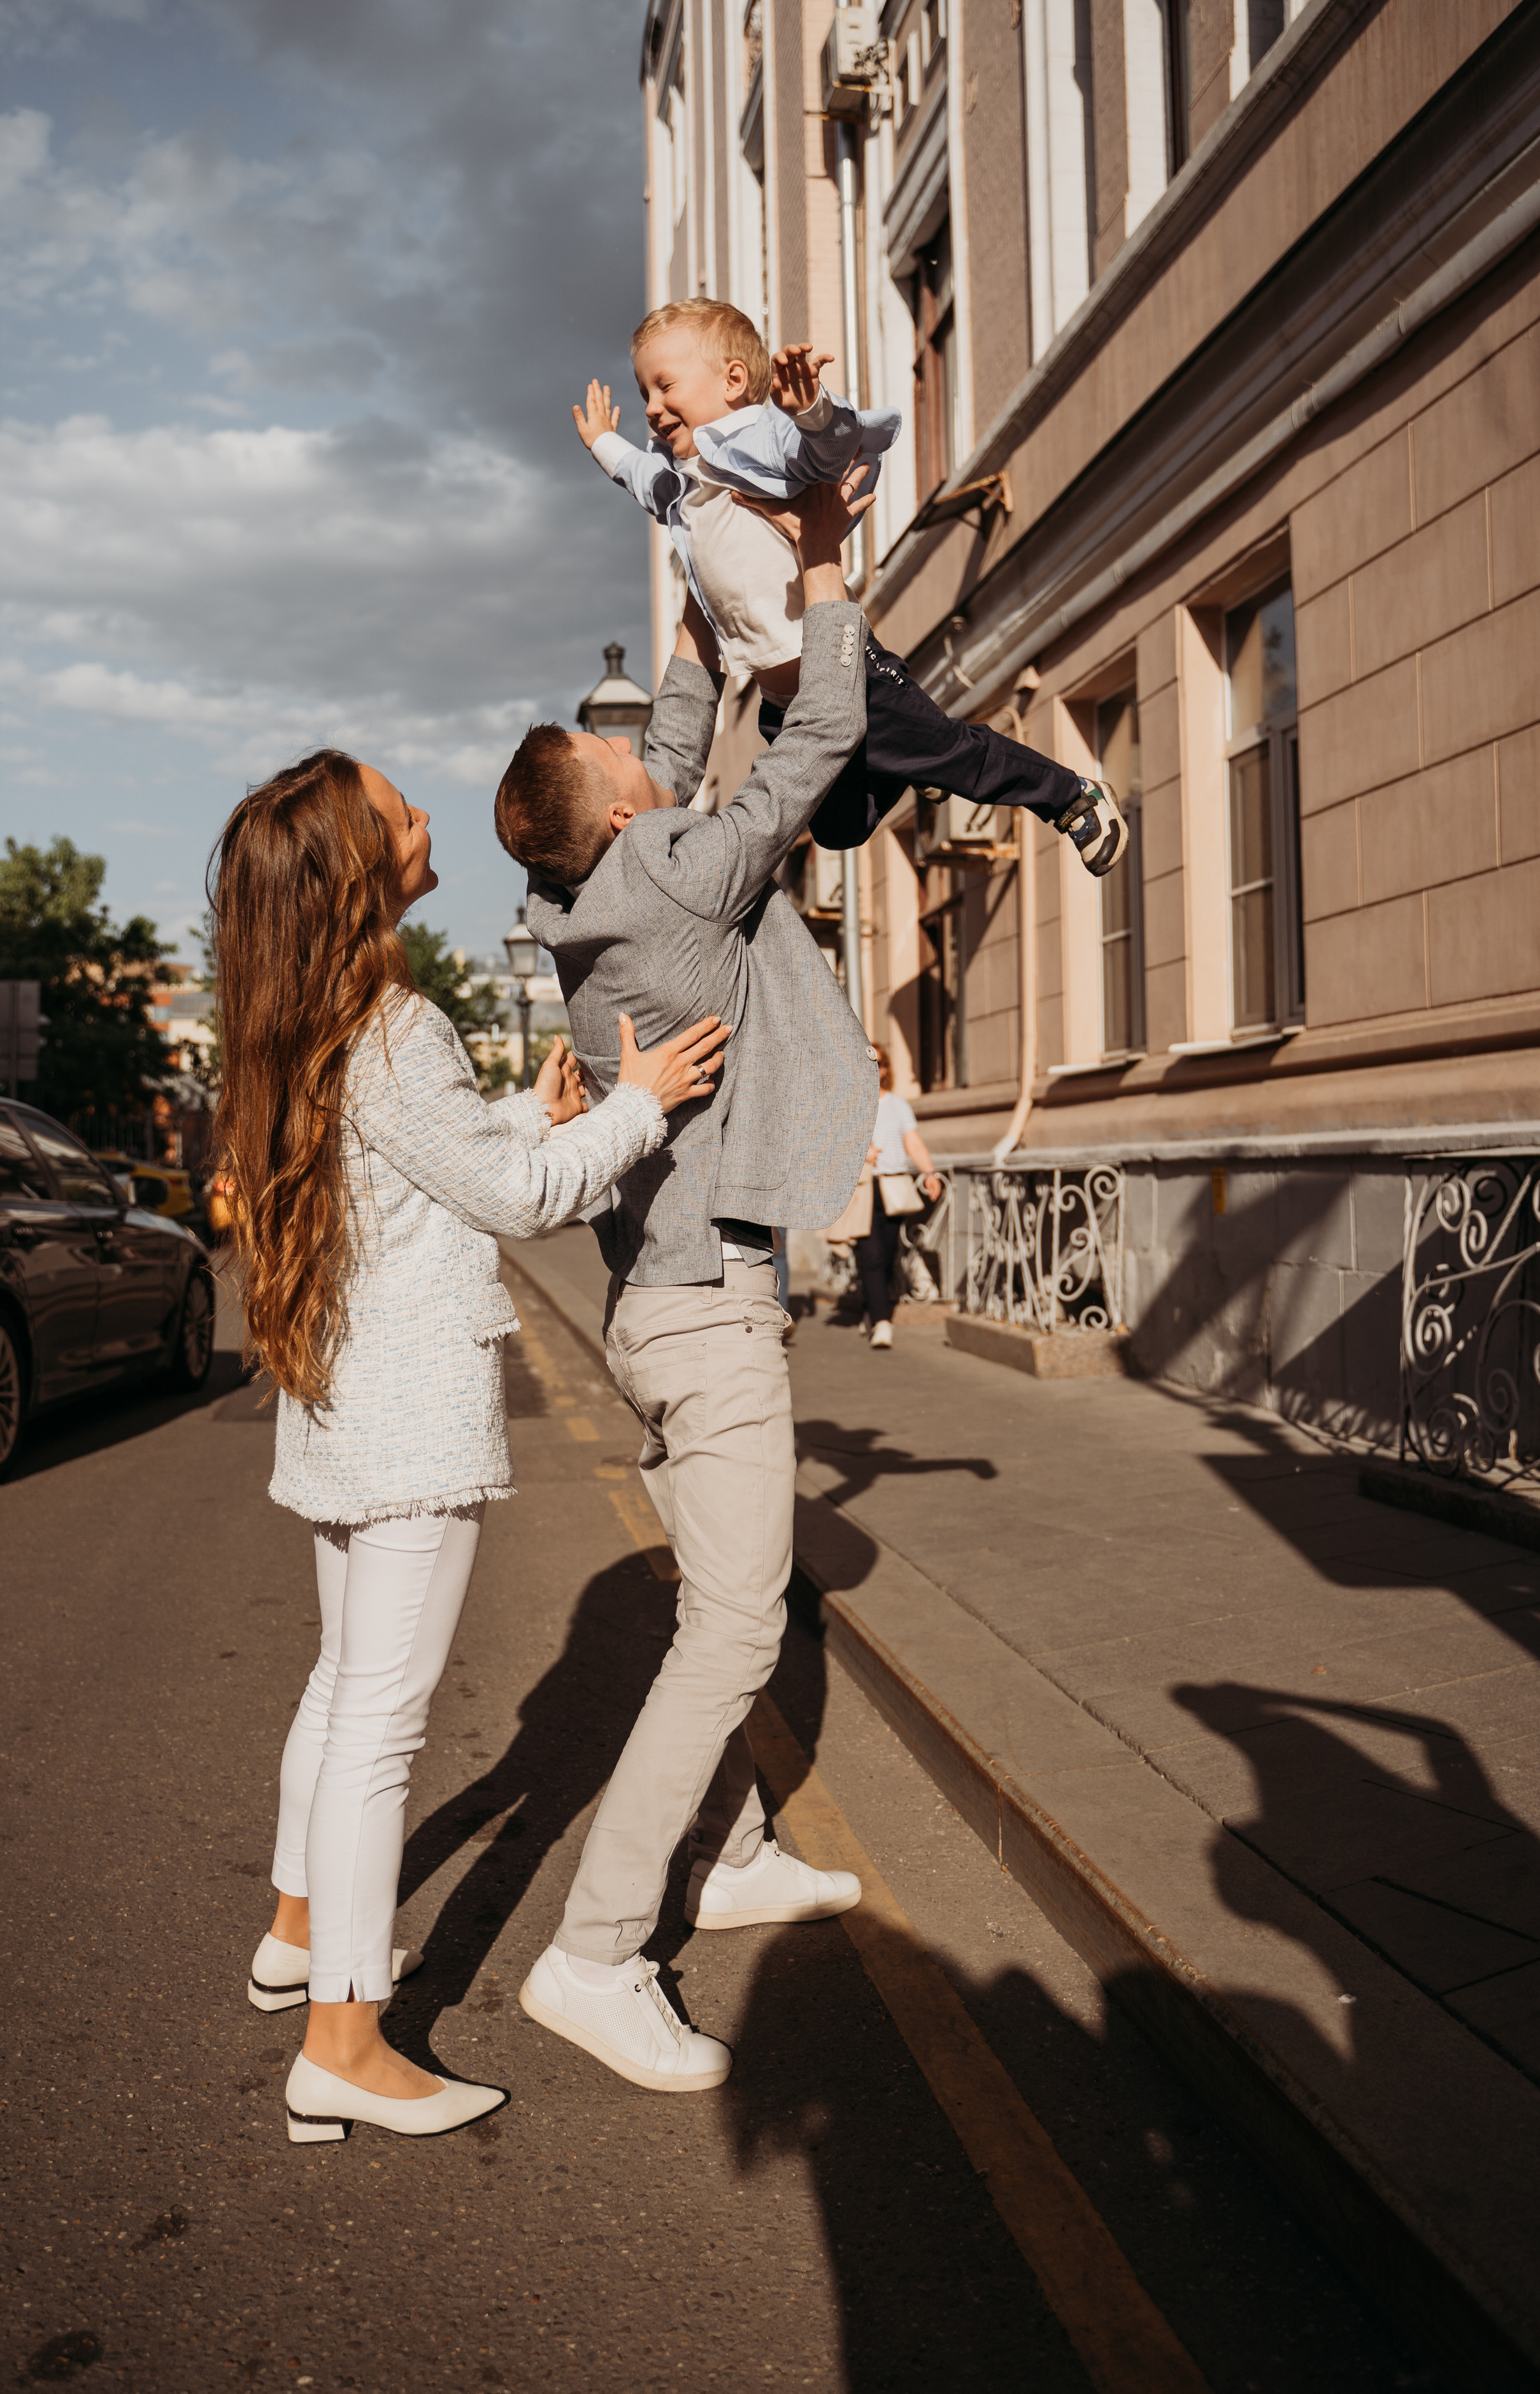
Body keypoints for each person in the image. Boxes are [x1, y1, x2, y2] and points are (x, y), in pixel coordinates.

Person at [210, 746, 727, 2146]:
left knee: (339, 1694)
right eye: (401, 811)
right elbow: (509, 1200)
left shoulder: (309, 1023)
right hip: (407, 1428)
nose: (428, 815)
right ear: (359, 867)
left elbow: (404, 1171)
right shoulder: (393, 1021)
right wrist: (639, 1107)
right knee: (382, 1724)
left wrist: (525, 1110)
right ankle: (345, 2041)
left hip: (336, 1409)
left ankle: (292, 1934)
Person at [491, 476, 874, 2095]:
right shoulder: (679, 875)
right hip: (705, 1312)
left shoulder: (589, 886)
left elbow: (691, 705)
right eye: (620, 754)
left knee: (742, 1606)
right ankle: (590, 1952)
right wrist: (828, 569)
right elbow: (814, 740)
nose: (641, 744)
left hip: (673, 1301)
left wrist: (691, 544)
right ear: (623, 811)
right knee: (727, 1632)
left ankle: (717, 1859)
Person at [574, 296, 1127, 872]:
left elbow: (826, 450)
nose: (653, 408)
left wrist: (810, 409)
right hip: (783, 701)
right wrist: (602, 444)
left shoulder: (754, 439)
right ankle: (906, 769)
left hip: (851, 677)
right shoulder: (683, 485)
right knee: (837, 829)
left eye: (665, 387)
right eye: (644, 396)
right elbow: (641, 478)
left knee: (958, 757)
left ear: (733, 381)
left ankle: (1071, 798)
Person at [855, 1055, 943, 1351]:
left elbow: (913, 1143)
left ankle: (873, 1306)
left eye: (881, 1064)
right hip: (863, 1187)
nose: (878, 1069)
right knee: (871, 1255)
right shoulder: (850, 1100)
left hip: (893, 1185)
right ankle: (882, 1323)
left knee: (889, 1253)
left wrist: (930, 1173)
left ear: (887, 1070)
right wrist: (861, 1152)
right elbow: (832, 1141)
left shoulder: (898, 1105)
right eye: (871, 1063)